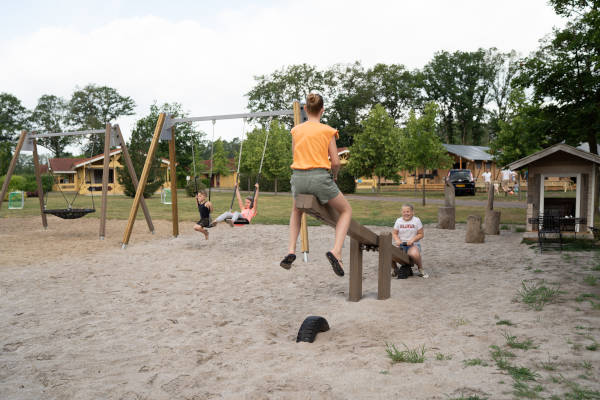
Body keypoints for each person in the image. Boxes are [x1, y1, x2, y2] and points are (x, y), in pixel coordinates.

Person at [279, 93, 352, 277]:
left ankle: (290, 250)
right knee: (346, 211)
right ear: (322, 110)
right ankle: (336, 251)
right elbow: (335, 162)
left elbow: (296, 155)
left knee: (297, 211)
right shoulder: (328, 131)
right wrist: (334, 176)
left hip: (298, 177)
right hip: (319, 177)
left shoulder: (296, 131)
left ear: (305, 109)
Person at [392, 204, 428, 278]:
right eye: (404, 212)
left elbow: (421, 234)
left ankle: (420, 268)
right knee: (390, 253)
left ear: (412, 212)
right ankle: (395, 269)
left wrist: (412, 240)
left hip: (413, 244)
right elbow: (394, 233)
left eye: (408, 211)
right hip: (401, 244)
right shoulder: (398, 221)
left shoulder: (416, 220)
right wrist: (397, 240)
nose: (406, 213)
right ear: (401, 212)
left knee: (414, 254)